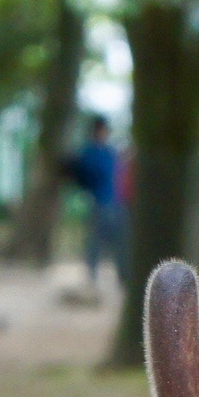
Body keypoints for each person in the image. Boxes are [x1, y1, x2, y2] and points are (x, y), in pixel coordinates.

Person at [69, 116, 125, 289]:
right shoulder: (89, 153)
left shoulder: (110, 152)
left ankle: (121, 277)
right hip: (99, 201)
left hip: (115, 201)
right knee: (95, 240)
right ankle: (92, 276)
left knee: (119, 241)